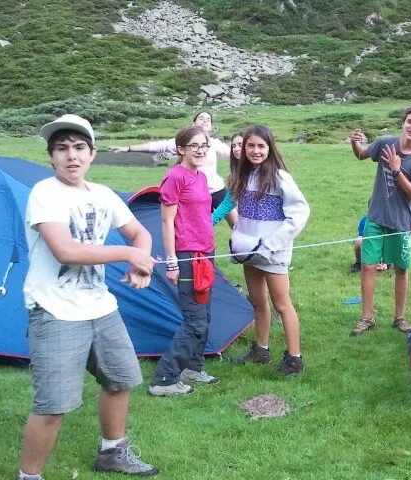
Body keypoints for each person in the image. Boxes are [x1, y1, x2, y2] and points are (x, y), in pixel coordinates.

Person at [17, 114, 157, 480]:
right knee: (53, 405)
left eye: (79, 148)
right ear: (51, 157)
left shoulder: (104, 196)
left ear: (92, 154)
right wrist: (127, 255)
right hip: (55, 312)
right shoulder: (45, 193)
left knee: (121, 380)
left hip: (101, 307)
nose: (71, 156)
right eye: (62, 149)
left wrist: (142, 262)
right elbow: (66, 251)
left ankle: (112, 453)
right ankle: (29, 477)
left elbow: (140, 233)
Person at [228, 125, 310, 376]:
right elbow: (235, 211)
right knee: (257, 301)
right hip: (249, 252)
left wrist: (272, 244)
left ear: (270, 148)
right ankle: (260, 349)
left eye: (261, 146)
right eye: (250, 146)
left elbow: (299, 213)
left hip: (273, 253)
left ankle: (295, 358)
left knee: (282, 305)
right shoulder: (242, 176)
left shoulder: (280, 177)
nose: (255, 151)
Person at [147, 125, 221, 397]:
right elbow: (167, 222)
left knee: (205, 315)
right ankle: (163, 379)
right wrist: (172, 262)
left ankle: (193, 367)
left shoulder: (200, 177)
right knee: (195, 321)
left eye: (204, 145)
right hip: (187, 256)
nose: (200, 150)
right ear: (181, 149)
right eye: (194, 146)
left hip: (206, 254)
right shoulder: (175, 177)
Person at [348, 106, 411, 335]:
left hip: (402, 223)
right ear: (403, 123)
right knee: (367, 267)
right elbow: (361, 154)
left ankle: (400, 318)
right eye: (410, 122)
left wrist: (397, 170)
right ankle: (367, 318)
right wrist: (355, 142)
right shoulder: (386, 143)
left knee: (402, 270)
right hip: (375, 217)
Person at [107, 111, 238, 227]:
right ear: (193, 124)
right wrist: (129, 148)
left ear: (211, 127)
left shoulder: (214, 144)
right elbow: (157, 146)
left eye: (208, 119)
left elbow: (234, 153)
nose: (205, 120)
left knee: (235, 222)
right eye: (201, 118)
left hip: (216, 190)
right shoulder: (184, 143)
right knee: (196, 227)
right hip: (192, 193)